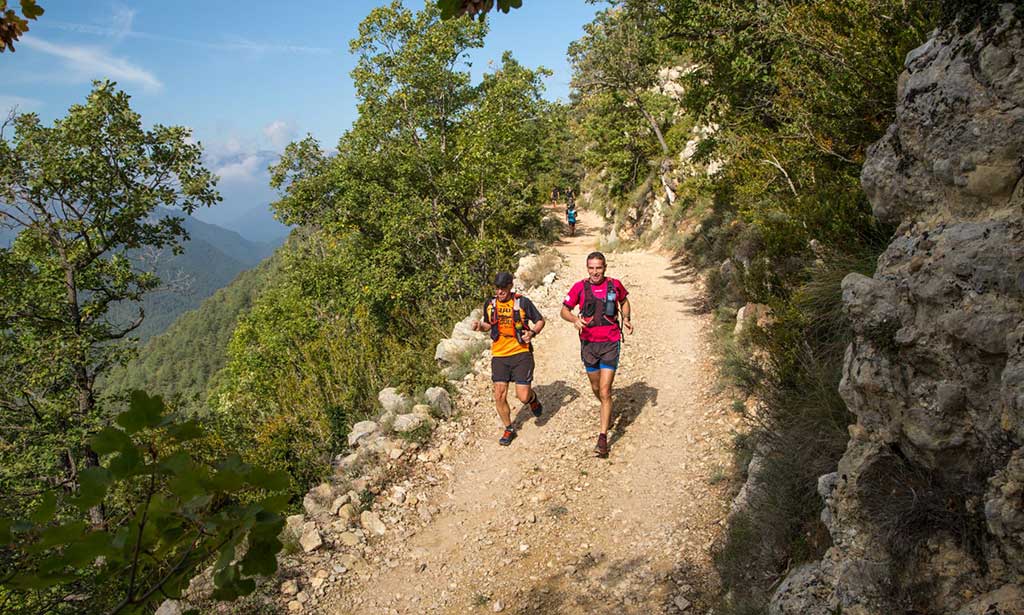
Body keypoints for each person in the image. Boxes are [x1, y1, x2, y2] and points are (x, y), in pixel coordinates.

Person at [559, 252, 633, 457]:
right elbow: (564, 310)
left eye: (598, 268)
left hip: (610, 342)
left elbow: (624, 301)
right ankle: (605, 409)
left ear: (605, 267)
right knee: (596, 387)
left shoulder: (615, 285)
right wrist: (574, 319)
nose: (595, 272)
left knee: (605, 390)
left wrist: (626, 318)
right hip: (589, 345)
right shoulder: (579, 287)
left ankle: (603, 438)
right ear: (587, 268)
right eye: (591, 268)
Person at [472, 272, 546, 445]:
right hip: (499, 354)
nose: (499, 292)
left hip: (521, 351)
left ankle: (532, 399)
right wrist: (479, 326)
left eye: (503, 289)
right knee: (499, 394)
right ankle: (509, 428)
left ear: (510, 287)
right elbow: (488, 324)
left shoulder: (522, 302)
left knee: (523, 396)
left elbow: (540, 321)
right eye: (497, 288)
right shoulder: (490, 304)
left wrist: (532, 333)